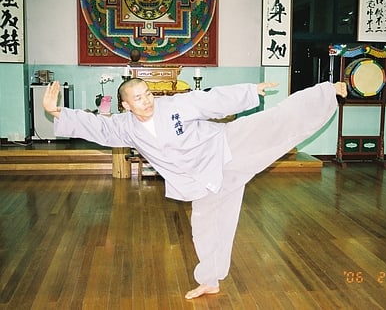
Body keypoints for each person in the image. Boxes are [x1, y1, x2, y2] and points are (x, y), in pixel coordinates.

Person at [43, 78, 347, 299]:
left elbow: (210, 100)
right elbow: (97, 126)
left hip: (226, 147)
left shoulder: (173, 105)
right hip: (203, 182)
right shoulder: (124, 126)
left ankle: (326, 91)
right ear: (125, 105)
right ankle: (210, 280)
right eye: (138, 98)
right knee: (204, 228)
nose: (147, 100)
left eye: (147, 94)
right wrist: (58, 113)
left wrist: (249, 91)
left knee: (271, 122)